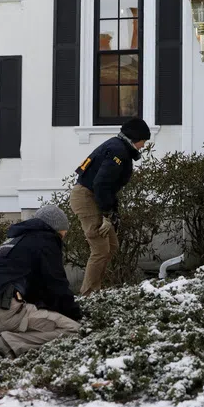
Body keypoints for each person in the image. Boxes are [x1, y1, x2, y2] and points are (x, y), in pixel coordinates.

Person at [0, 205, 83, 359]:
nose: (63, 238)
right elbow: (56, 284)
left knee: (42, 315)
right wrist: (74, 314)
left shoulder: (16, 241)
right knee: (73, 329)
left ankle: (1, 333)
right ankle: (6, 343)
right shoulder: (46, 241)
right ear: (55, 228)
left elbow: (34, 287)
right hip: (3, 312)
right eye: (63, 233)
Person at [70, 117, 150, 295]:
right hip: (86, 197)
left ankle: (96, 288)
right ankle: (89, 294)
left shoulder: (119, 148)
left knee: (111, 246)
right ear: (135, 138)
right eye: (143, 141)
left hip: (94, 196)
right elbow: (102, 185)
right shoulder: (117, 151)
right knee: (100, 249)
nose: (143, 146)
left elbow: (109, 188)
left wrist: (114, 214)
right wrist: (107, 215)